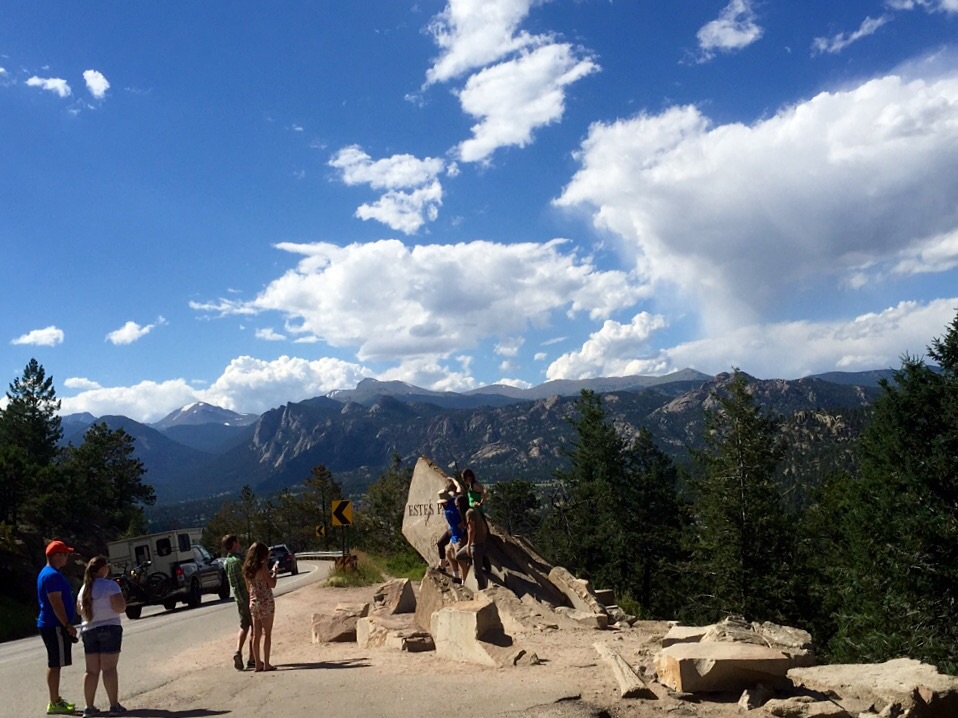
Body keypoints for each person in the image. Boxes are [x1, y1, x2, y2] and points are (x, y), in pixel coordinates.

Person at [76, 555, 127, 716]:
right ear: (103, 569)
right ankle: (114, 705)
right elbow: (120, 607)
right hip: (109, 628)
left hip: (88, 630)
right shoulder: (110, 585)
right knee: (109, 668)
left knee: (91, 671)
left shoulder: (84, 589)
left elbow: (79, 611)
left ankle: (89, 707)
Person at [37, 539, 78, 715]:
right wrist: (67, 624)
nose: (67, 557)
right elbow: (56, 602)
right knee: (55, 664)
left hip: (52, 624)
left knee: (56, 663)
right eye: (65, 554)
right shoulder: (51, 575)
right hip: (54, 625)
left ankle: (55, 700)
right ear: (56, 555)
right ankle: (54, 702)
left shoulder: (49, 573)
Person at [243, 542, 278, 672]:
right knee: (267, 634)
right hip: (266, 601)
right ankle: (266, 663)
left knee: (256, 634)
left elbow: (248, 588)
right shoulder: (262, 566)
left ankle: (257, 663)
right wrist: (274, 573)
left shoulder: (247, 569)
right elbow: (272, 583)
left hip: (253, 602)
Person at [221, 534, 254, 671]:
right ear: (234, 544)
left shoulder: (226, 562)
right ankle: (252, 658)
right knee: (255, 627)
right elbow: (249, 575)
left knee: (244, 625)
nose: (239, 544)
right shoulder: (239, 560)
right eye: (238, 542)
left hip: (238, 598)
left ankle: (238, 651)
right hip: (248, 596)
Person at [456, 508, 489, 589]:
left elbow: (471, 530)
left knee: (477, 573)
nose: (457, 507)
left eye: (458, 505)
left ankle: (482, 589)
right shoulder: (476, 511)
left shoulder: (469, 513)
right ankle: (479, 560)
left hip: (475, 545)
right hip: (479, 543)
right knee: (458, 556)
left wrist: (468, 545)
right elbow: (484, 527)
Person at [438, 489, 465, 583]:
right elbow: (459, 491)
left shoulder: (450, 512)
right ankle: (455, 576)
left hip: (457, 534)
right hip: (453, 532)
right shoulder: (454, 500)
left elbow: (460, 525)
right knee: (449, 553)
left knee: (459, 557)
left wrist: (462, 534)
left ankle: (463, 580)